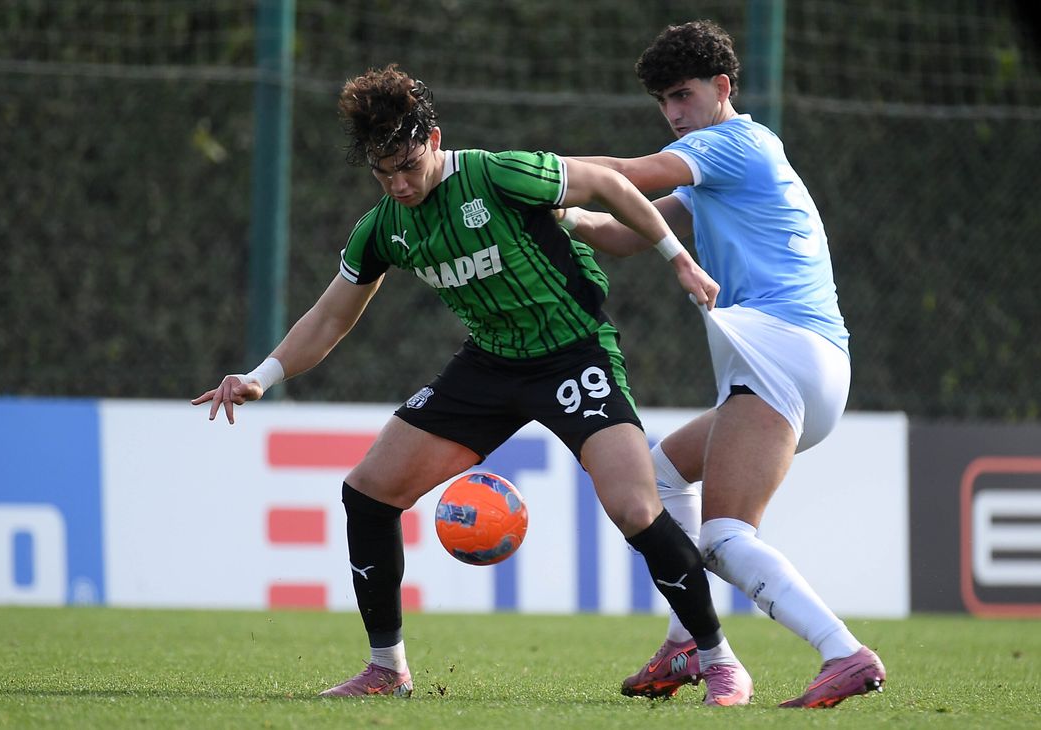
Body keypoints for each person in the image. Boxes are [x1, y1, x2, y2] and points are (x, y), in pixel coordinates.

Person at [192, 64, 756, 705]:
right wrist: (261, 376)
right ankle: (386, 670)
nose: (400, 183)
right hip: (488, 368)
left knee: (634, 506)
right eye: (384, 172)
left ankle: (718, 661)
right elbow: (330, 316)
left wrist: (677, 259)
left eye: (408, 164)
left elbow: (603, 183)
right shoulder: (384, 228)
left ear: (433, 139)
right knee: (368, 494)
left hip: (574, 355)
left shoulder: (494, 173)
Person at [557, 21, 887, 708]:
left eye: (683, 96)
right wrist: (568, 219)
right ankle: (687, 643)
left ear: (723, 87)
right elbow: (626, 228)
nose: (674, 114)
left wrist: (533, 173)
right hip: (803, 360)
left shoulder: (733, 144)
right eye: (663, 102)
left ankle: (842, 651)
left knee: (725, 536)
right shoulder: (718, 168)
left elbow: (634, 175)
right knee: (658, 472)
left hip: (784, 354)